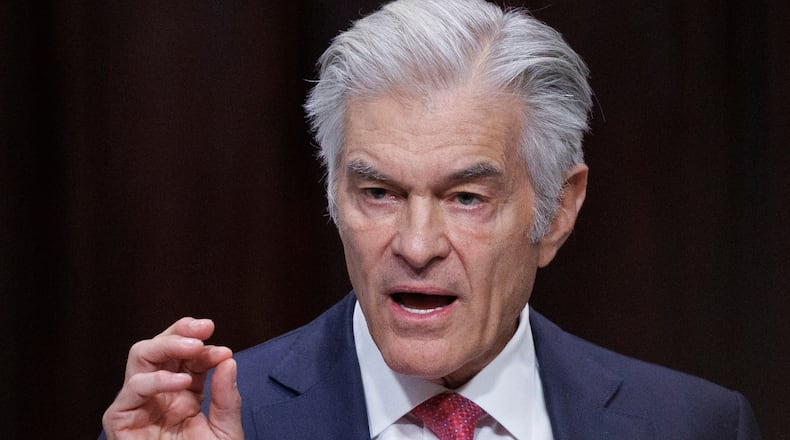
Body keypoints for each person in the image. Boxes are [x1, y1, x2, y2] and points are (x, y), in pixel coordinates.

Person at [100, 0, 762, 438]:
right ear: (333, 194)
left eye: (466, 198)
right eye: (379, 192)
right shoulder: (194, 422)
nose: (416, 246)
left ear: (559, 210)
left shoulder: (694, 424)